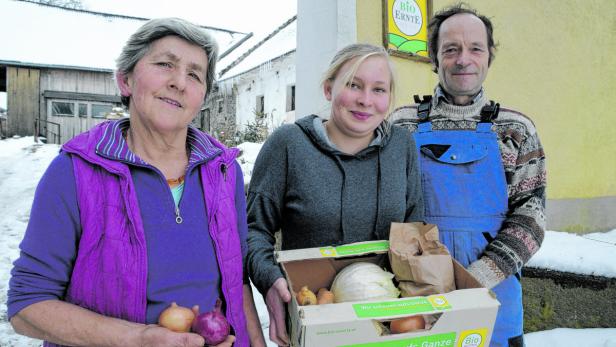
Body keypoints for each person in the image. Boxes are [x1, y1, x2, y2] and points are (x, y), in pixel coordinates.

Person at [7, 18, 265, 347]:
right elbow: (27, 305)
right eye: (164, 64)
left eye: (195, 74)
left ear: (202, 97)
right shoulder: (74, 172)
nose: (179, 82)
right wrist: (138, 338)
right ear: (125, 80)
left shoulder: (224, 172)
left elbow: (236, 278)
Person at [246, 43, 424, 346]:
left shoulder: (402, 147)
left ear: (389, 98)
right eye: (354, 85)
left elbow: (413, 227)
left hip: (387, 323)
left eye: (379, 90)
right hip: (313, 315)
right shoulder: (288, 145)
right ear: (329, 89)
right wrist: (270, 279)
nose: (366, 100)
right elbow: (252, 230)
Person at [390, 4, 546, 347]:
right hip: (417, 301)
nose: (464, 59)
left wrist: (476, 278)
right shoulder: (401, 125)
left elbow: (531, 217)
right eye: (451, 49)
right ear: (434, 57)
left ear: (489, 56)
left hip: (494, 302)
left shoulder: (516, 129)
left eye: (475, 48)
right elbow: (384, 209)